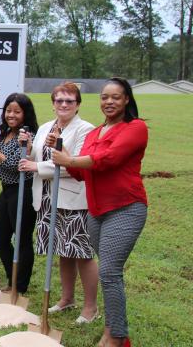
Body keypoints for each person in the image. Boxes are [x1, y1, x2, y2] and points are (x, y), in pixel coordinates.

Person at [52, 77, 147, 347]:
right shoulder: (95, 134)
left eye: (116, 97)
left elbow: (108, 159)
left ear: (127, 99)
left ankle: (116, 336)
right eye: (105, 97)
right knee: (109, 272)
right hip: (97, 211)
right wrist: (64, 152)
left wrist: (69, 159)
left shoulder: (135, 128)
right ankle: (112, 329)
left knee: (110, 272)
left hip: (126, 207)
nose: (109, 101)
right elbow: (82, 172)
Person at [19, 81, 98, 323]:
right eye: (59, 100)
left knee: (81, 252)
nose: (64, 104)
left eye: (69, 101)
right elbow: (37, 155)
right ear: (53, 104)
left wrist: (36, 166)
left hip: (72, 199)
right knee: (62, 250)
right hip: (46, 197)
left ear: (78, 105)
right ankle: (67, 298)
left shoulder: (85, 130)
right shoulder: (45, 127)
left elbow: (75, 163)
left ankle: (91, 308)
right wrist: (29, 146)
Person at [0, 93, 39, 293]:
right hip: (7, 190)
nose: (11, 115)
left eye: (17, 111)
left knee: (21, 238)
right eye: (8, 110)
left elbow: (14, 165)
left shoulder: (26, 136)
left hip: (23, 190)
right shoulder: (6, 133)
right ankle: (12, 277)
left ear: (25, 114)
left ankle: (19, 286)